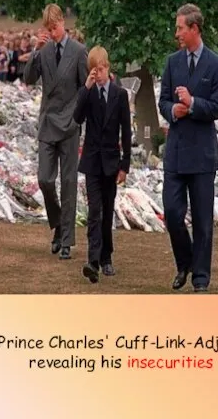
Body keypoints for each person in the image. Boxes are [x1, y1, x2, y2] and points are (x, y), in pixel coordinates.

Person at [158, 4, 218, 293]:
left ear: (194, 29)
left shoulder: (215, 64)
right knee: (172, 213)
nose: (177, 34)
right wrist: (175, 109)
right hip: (175, 151)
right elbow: (162, 102)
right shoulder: (172, 63)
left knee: (202, 220)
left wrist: (193, 103)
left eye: (180, 29)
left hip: (202, 154)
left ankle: (200, 278)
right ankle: (184, 262)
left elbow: (217, 108)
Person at [24, 3, 88, 260]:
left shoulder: (79, 51)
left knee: (69, 182)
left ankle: (66, 241)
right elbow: (29, 79)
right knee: (45, 180)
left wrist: (82, 119)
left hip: (70, 124)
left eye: (55, 27)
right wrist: (35, 52)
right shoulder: (45, 49)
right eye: (48, 28)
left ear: (63, 22)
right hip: (48, 122)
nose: (52, 32)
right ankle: (58, 224)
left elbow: (85, 89)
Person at [73, 46, 131, 283]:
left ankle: (106, 258)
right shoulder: (89, 93)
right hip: (92, 162)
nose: (97, 74)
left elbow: (126, 131)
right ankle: (92, 261)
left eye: (100, 69)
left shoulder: (119, 95)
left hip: (111, 161)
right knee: (94, 211)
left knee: (107, 212)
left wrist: (125, 165)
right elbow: (77, 117)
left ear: (107, 67)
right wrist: (86, 87)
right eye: (93, 71)